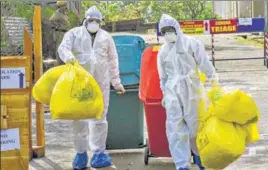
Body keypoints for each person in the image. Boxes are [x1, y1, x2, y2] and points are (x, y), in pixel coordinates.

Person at [57, 6, 125, 170]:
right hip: (79, 82)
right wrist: (70, 58)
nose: (93, 23)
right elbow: (63, 48)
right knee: (79, 118)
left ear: (100, 22)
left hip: (101, 82)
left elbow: (112, 60)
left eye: (96, 21)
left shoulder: (106, 37)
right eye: (90, 20)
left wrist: (116, 82)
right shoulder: (74, 33)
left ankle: (98, 154)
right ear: (85, 21)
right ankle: (81, 154)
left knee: (99, 117)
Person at [157, 14, 219, 170]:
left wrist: (214, 83)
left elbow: (205, 64)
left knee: (196, 126)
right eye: (164, 31)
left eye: (170, 30)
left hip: (193, 90)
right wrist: (164, 93)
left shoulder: (192, 44)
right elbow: (163, 77)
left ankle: (201, 159)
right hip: (173, 92)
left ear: (177, 29)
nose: (168, 34)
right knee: (175, 129)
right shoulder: (163, 51)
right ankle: (182, 165)